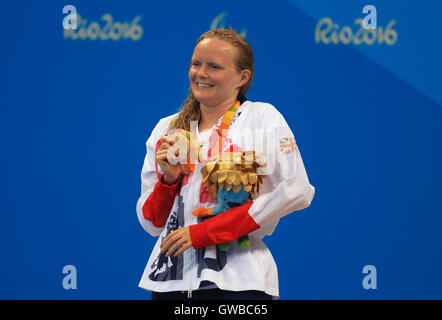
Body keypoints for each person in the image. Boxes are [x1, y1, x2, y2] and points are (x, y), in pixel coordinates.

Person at [136, 27, 315, 300]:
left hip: (239, 284)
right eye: (196, 64)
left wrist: (206, 231)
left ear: (242, 77)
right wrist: (168, 181)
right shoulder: (167, 128)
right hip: (170, 283)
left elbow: (298, 190)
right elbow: (152, 225)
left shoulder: (262, 118)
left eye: (214, 66)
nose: (201, 73)